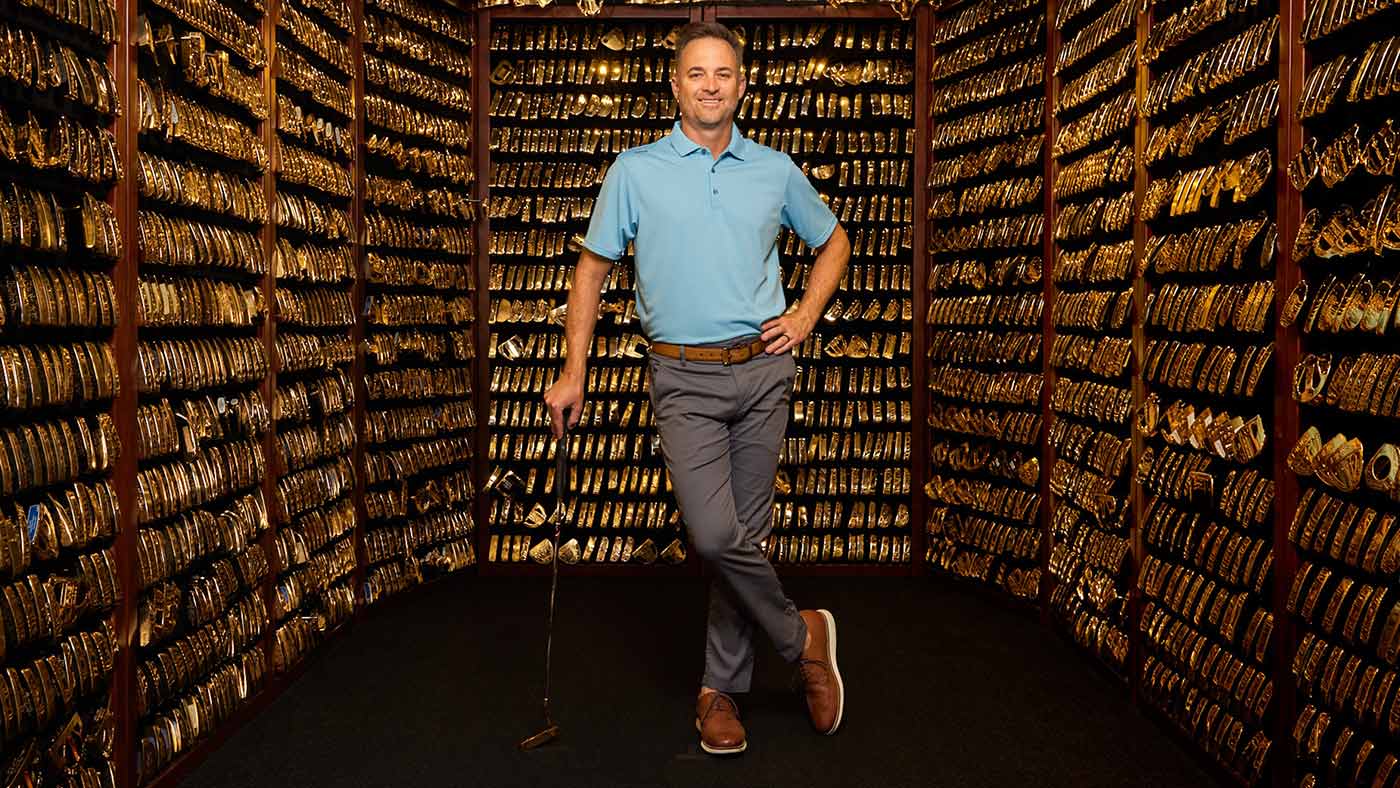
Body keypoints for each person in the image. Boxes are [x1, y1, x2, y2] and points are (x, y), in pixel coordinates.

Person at [542, 21, 851, 756]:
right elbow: (592, 269)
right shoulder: (635, 170)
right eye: (696, 73)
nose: (710, 86)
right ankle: (802, 636)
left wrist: (805, 315)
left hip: (764, 369)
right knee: (714, 535)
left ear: (742, 85)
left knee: (745, 537)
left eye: (723, 73)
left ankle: (719, 691)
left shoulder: (774, 169)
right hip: (681, 375)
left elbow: (834, 240)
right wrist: (573, 371)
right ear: (676, 85)